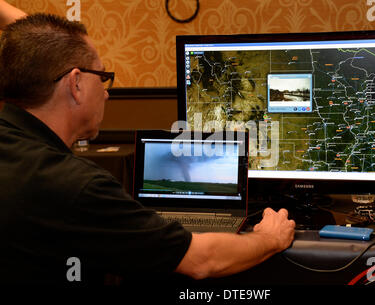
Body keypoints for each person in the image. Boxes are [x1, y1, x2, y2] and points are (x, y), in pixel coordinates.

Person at [0, 13, 295, 285]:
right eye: (102, 77)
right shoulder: (75, 187)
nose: (105, 93)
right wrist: (269, 238)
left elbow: (37, 50)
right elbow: (202, 260)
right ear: (76, 84)